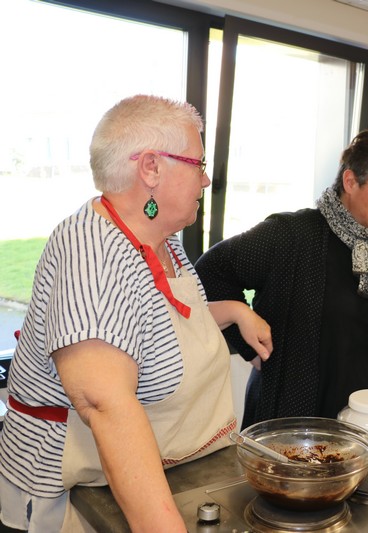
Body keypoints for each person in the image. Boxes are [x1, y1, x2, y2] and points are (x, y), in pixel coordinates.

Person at [0, 95, 272, 531]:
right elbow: (104, 402)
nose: (205, 181)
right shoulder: (91, 250)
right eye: (198, 164)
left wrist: (236, 311)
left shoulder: (162, 240)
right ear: (151, 168)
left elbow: (163, 321)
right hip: (68, 493)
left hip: (157, 468)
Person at [195, 130, 368, 426]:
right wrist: (249, 347)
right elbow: (210, 272)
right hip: (306, 425)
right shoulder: (292, 235)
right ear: (350, 181)